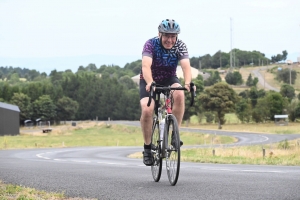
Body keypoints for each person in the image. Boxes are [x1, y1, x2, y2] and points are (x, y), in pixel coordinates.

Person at [139, 19, 193, 166]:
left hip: (169, 78)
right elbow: (145, 66)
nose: (170, 40)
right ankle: (148, 148)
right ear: (159, 34)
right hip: (149, 79)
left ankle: (175, 134)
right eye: (166, 36)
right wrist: (150, 82)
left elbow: (186, 67)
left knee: (180, 94)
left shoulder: (180, 45)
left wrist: (187, 83)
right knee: (147, 109)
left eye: (173, 36)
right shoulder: (150, 44)